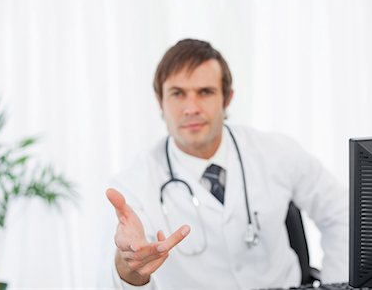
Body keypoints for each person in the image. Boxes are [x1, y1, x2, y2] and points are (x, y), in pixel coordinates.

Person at [102, 39, 348, 290]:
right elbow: (122, 269)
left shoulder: (277, 152)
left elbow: (342, 212)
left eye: (205, 92)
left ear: (227, 98)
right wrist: (129, 267)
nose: (191, 108)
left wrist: (337, 284)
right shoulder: (133, 183)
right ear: (160, 101)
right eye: (177, 94)